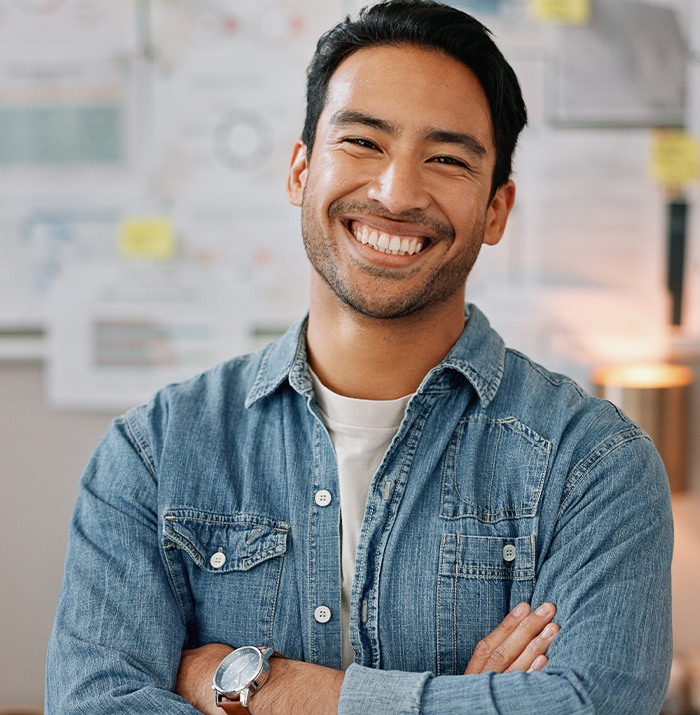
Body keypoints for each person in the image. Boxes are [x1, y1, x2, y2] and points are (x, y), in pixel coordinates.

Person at [46, 1, 673, 713]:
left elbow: (590, 705)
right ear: (299, 171)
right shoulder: (155, 454)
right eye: (364, 143)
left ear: (496, 209)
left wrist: (272, 690)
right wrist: (468, 701)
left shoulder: (592, 465)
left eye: (445, 159)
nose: (397, 192)